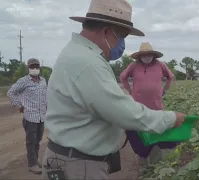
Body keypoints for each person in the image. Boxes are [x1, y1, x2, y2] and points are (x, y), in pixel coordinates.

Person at [41, 0, 185, 179]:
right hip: (79, 166)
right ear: (107, 32)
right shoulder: (88, 63)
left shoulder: (77, 53)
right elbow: (123, 113)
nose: (122, 44)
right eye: (122, 36)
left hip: (71, 160)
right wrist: (170, 119)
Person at [120, 42, 176, 167]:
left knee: (156, 134)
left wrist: (165, 90)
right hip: (138, 107)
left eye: (149, 55)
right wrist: (129, 91)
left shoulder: (160, 65)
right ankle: (143, 165)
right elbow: (122, 77)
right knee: (141, 136)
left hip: (156, 107)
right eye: (144, 55)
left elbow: (170, 77)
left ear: (153, 55)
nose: (147, 57)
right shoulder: (133, 66)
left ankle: (156, 166)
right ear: (140, 56)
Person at [7, 58, 47, 174]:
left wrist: (47, 107)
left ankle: (35, 159)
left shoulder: (43, 81)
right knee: (31, 141)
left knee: (38, 140)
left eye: (36, 66)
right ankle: (32, 164)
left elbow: (45, 96)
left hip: (41, 116)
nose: (35, 69)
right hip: (30, 117)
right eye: (32, 67)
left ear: (39, 67)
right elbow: (11, 92)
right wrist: (19, 105)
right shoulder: (24, 81)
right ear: (28, 68)